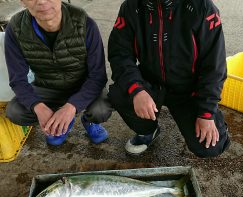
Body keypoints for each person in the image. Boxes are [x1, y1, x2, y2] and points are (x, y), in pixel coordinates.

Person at [108, 0, 230, 157]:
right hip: (149, 84)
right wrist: (136, 89)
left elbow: (215, 66)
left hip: (188, 90)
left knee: (210, 147)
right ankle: (147, 131)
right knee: (120, 93)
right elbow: (119, 54)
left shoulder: (203, 7)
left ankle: (210, 119)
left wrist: (207, 112)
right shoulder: (131, 6)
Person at [4, 0, 112, 146]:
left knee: (101, 109)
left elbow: (98, 76)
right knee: (15, 111)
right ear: (22, 2)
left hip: (82, 85)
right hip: (46, 86)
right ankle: (58, 122)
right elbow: (17, 80)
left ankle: (87, 120)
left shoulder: (84, 23)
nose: (41, 1)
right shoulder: (16, 28)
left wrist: (71, 107)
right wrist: (39, 107)